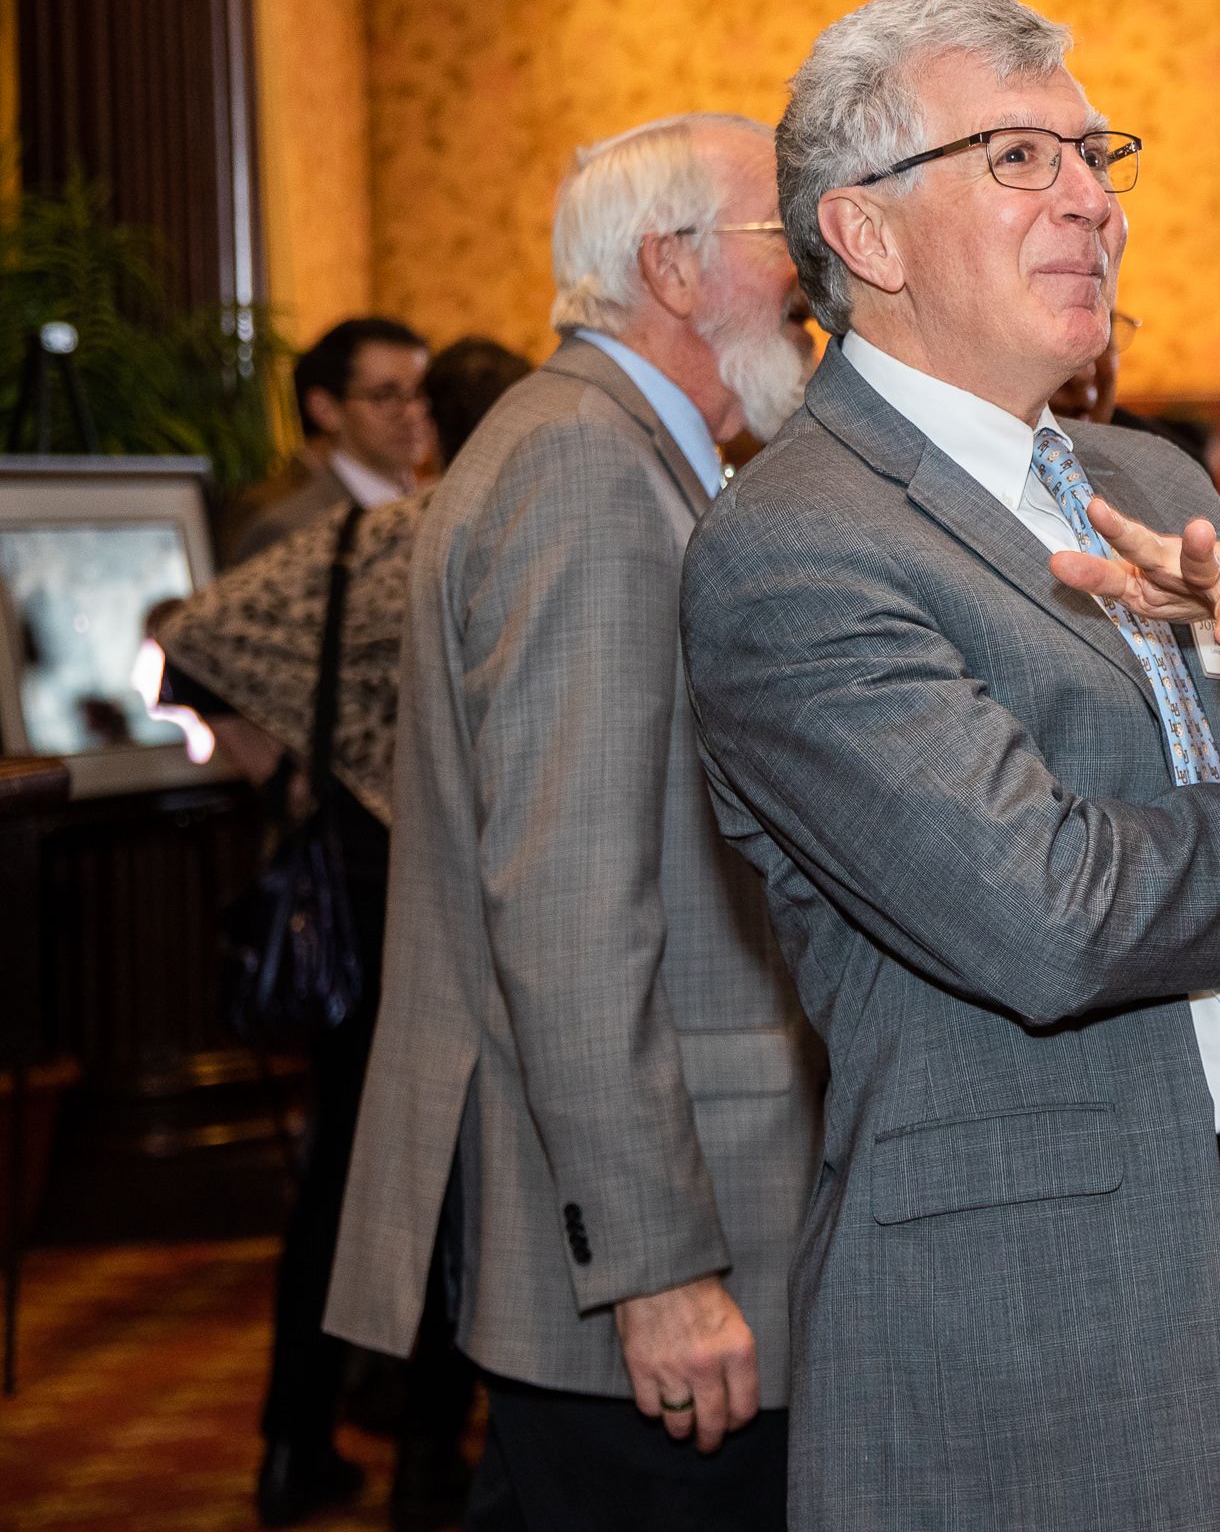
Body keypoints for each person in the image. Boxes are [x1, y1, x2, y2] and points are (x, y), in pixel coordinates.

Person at [679, 0, 1220, 1532]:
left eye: (1093, 155)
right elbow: (1047, 911)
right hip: (1039, 1327)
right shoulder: (791, 549)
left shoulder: (1137, 472)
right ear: (871, 235)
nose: (1098, 204)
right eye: (1022, 160)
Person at [324, 113, 822, 1532]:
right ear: (673, 265)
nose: (807, 264)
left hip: (668, 1225)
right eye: (773, 230)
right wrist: (659, 1267)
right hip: (653, 1259)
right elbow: (566, 911)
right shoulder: (582, 472)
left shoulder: (622, 453)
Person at [164, 337, 534, 1529]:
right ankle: (423, 1451)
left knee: (343, 1177)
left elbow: (189, 644)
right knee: (445, 1172)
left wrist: (292, 771)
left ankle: (298, 1438)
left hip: (368, 877)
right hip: (434, 886)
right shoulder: (468, 535)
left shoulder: (366, 541)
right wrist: (291, 766)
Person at [229, 319, 433, 563]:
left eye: (421, 392)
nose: (413, 412)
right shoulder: (291, 527)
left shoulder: (439, 510)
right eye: (385, 396)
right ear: (325, 409)